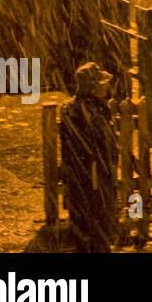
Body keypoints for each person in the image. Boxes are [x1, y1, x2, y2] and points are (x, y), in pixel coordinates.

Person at [59, 63, 118, 253]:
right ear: (92, 87)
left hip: (93, 171)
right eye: (102, 83)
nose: (106, 86)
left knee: (95, 215)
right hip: (89, 173)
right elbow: (93, 142)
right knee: (93, 216)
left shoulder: (93, 107)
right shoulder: (82, 110)